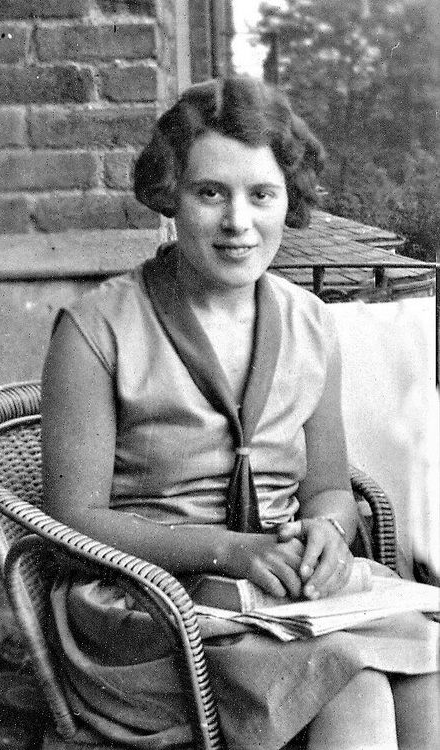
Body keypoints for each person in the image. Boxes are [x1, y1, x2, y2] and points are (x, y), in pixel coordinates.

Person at [41, 76, 439, 750]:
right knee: (356, 684)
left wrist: (325, 532)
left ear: (290, 200)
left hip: (279, 594)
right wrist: (230, 550)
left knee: (430, 666)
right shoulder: (96, 328)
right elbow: (71, 520)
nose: (237, 222)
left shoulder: (310, 323)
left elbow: (329, 487)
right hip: (150, 603)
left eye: (262, 194)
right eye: (210, 193)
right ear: (169, 195)